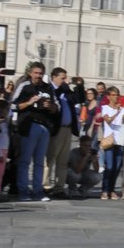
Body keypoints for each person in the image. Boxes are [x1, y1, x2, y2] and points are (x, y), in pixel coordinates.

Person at [10, 62, 58, 202]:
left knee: (39, 162)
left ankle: (38, 190)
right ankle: (23, 190)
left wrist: (51, 107)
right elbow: (13, 105)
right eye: (36, 73)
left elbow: (56, 108)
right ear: (30, 73)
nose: (38, 76)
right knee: (25, 160)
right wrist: (29, 102)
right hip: (29, 125)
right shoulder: (24, 86)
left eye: (41, 73)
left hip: (44, 126)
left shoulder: (48, 88)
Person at [44, 68, 79, 198]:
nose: (65, 80)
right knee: (50, 158)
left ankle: (59, 187)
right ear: (54, 77)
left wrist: (79, 85)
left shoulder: (66, 90)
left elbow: (77, 98)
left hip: (67, 129)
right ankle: (45, 186)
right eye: (62, 78)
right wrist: (63, 87)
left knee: (63, 160)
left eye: (65, 78)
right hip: (56, 129)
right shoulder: (49, 89)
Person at [97, 87, 124, 200]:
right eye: (113, 95)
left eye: (117, 95)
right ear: (108, 96)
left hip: (120, 140)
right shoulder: (105, 108)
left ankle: (112, 190)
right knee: (109, 166)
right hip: (110, 140)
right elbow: (108, 120)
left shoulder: (122, 109)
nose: (116, 97)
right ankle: (105, 190)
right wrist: (118, 112)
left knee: (117, 167)